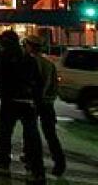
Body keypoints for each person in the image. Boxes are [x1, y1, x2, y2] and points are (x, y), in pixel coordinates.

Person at [0, 30, 45, 183]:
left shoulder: (2, 56)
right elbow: (38, 81)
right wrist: (36, 100)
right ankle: (37, 168)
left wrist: (1, 94)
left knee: (5, 131)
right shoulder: (28, 57)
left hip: (10, 101)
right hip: (27, 102)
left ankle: (3, 158)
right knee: (32, 136)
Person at [24, 34, 65, 176]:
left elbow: (43, 85)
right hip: (48, 103)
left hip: (38, 102)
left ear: (30, 46)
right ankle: (58, 162)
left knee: (32, 132)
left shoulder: (34, 62)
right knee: (50, 134)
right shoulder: (49, 64)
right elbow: (53, 84)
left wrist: (37, 99)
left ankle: (33, 158)